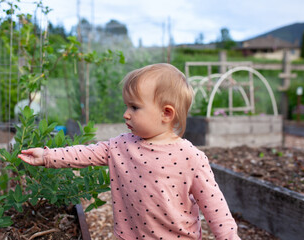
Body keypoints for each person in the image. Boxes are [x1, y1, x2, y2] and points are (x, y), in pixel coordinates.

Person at [18, 63, 240, 240]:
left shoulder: (191, 157)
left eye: (134, 107)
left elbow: (215, 207)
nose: (126, 114)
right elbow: (83, 154)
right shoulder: (120, 146)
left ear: (166, 113)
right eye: (126, 106)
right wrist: (47, 156)